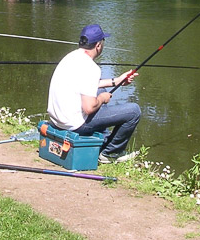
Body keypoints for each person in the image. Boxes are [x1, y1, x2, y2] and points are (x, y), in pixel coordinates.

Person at [47, 24, 141, 163]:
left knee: (100, 90)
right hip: (74, 125)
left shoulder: (70, 57)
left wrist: (118, 81)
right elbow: (89, 108)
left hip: (57, 121)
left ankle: (102, 140)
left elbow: (85, 85)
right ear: (98, 45)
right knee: (134, 111)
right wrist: (102, 99)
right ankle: (109, 153)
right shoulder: (91, 67)